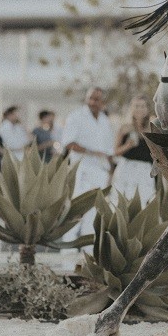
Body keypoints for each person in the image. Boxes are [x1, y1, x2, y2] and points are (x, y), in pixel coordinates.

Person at [61, 87, 115, 239]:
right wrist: (91, 152)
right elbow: (68, 143)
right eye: (90, 98)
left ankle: (88, 246)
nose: (92, 102)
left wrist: (111, 169)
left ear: (102, 101)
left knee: (96, 210)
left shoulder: (104, 120)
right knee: (77, 208)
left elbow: (109, 149)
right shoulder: (76, 117)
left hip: (101, 171)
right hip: (82, 170)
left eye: (96, 99)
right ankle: (69, 246)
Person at [111, 95, 155, 203]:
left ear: (147, 108)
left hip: (145, 171)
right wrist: (128, 145)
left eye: (142, 106)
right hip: (126, 169)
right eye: (136, 106)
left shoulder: (153, 128)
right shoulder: (125, 128)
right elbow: (115, 152)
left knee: (144, 202)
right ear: (132, 108)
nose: (139, 109)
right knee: (121, 202)